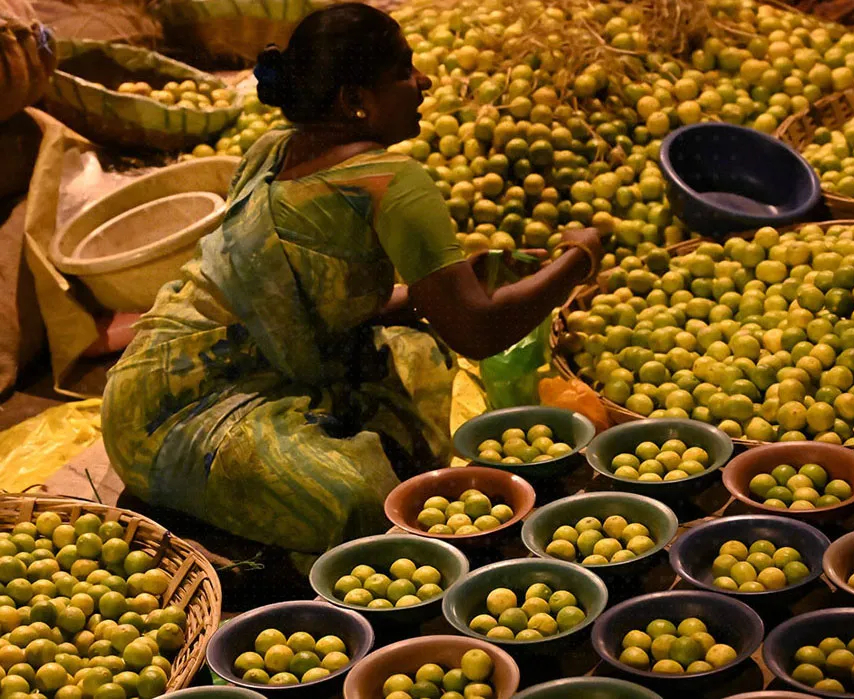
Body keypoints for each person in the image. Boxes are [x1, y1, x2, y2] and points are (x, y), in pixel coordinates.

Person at [101, 2, 602, 554]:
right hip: (177, 412)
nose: (425, 82)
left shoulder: (272, 149)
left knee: (416, 359)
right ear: (355, 101)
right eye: (403, 72)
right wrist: (577, 261)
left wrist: (428, 294)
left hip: (141, 384)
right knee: (366, 500)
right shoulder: (392, 182)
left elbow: (297, 297)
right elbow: (479, 334)